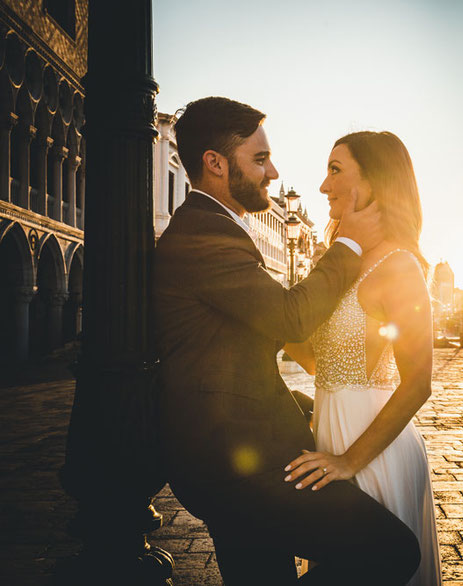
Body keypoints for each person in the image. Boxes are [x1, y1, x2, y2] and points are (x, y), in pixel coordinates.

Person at [153, 98, 420, 585]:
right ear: (214, 163)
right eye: (259, 159)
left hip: (231, 455)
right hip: (235, 465)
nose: (273, 172)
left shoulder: (212, 230)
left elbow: (252, 346)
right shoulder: (202, 236)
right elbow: (289, 319)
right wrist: (349, 244)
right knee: (392, 551)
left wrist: (310, 402)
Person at [283, 131, 441, 585]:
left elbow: (418, 382)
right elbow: (314, 361)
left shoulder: (400, 266)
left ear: (373, 182)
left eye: (335, 170)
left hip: (373, 453)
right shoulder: (341, 261)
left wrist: (350, 461)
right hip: (330, 438)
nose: (323, 186)